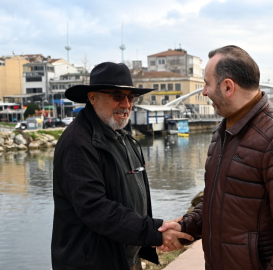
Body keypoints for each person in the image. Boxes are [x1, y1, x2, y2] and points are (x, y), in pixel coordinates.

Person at [159, 45, 273, 269]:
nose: (204, 92)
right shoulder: (223, 133)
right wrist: (186, 227)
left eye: (206, 83)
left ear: (227, 87)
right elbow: (217, 200)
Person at [51, 62, 193, 270]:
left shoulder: (124, 137)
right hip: (91, 263)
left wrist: (152, 233)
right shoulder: (77, 143)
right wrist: (155, 232)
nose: (126, 104)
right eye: (118, 96)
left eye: (131, 97)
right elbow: (95, 208)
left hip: (124, 260)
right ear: (92, 97)